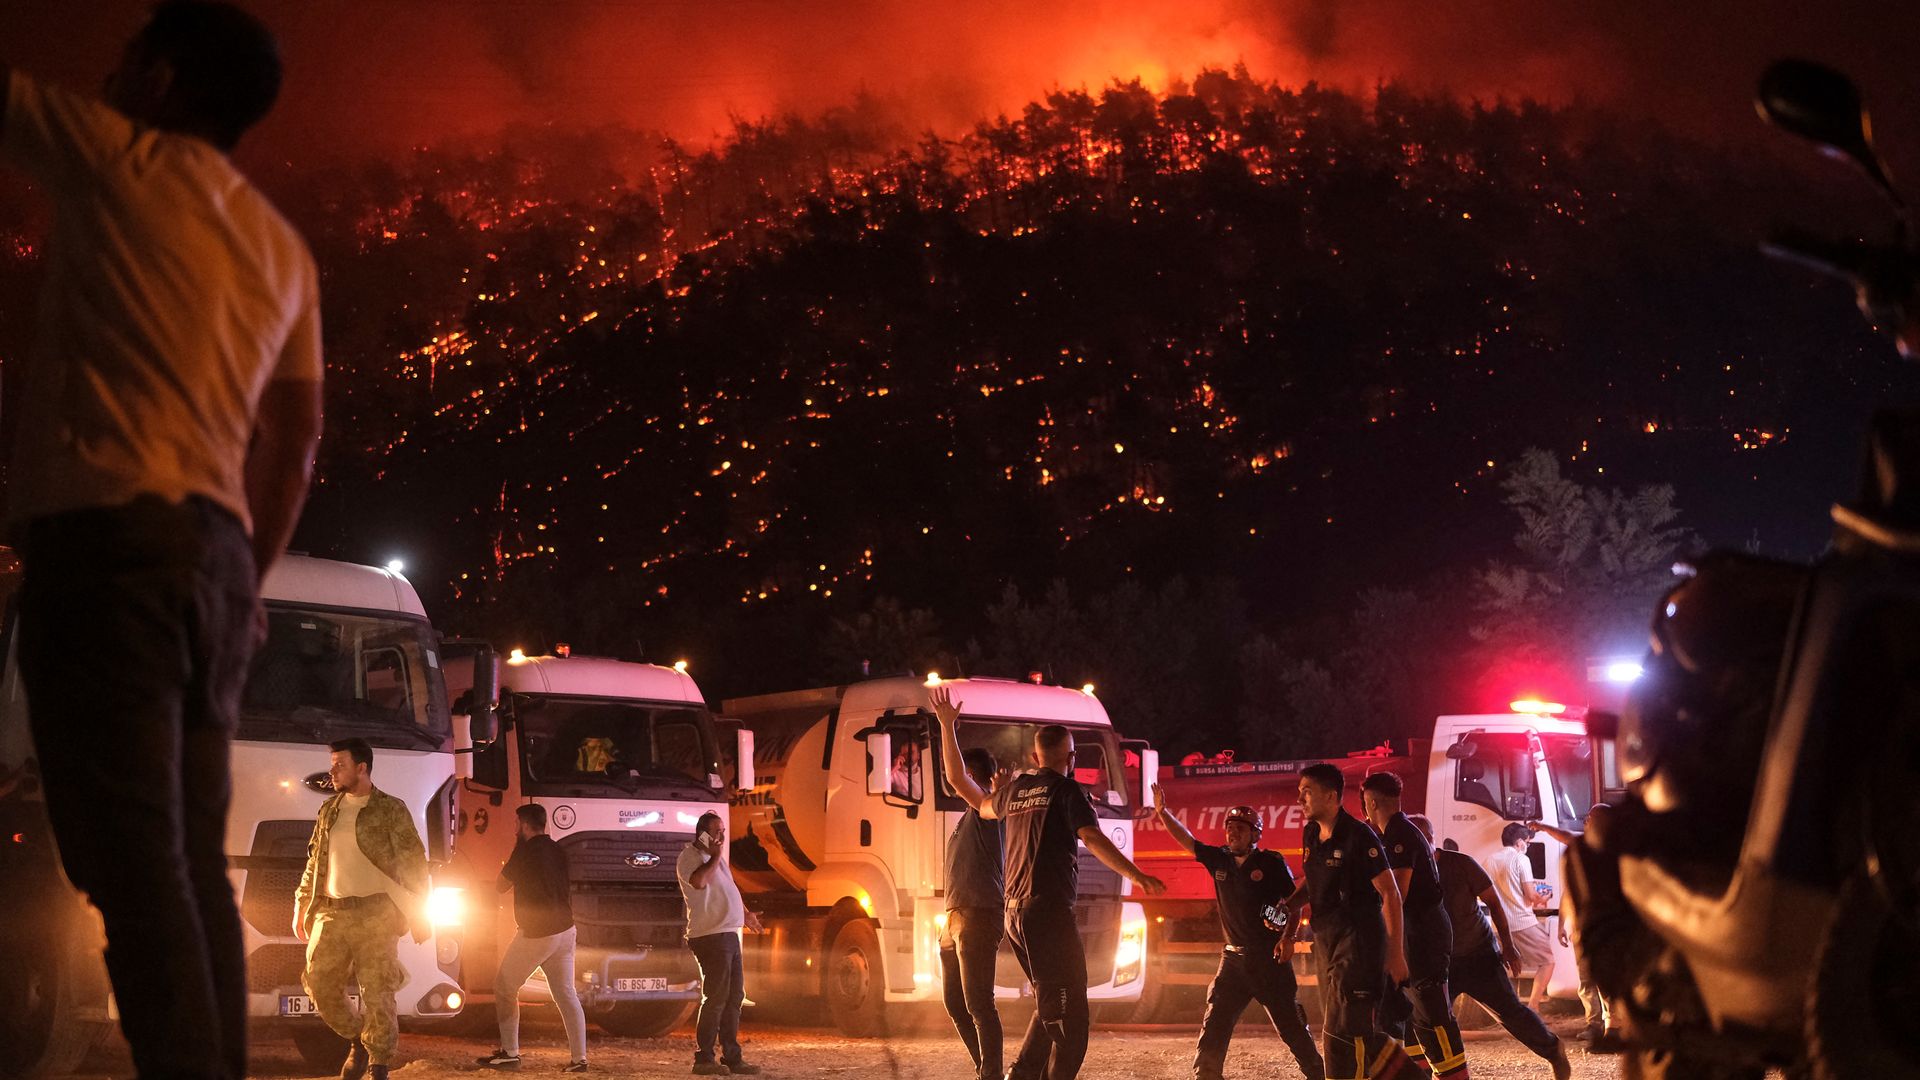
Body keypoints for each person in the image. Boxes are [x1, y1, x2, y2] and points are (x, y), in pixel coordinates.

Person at [2, 5, 323, 1078]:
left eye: (128, 55)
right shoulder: (282, 251)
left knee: (130, 864)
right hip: (215, 562)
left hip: (108, 548)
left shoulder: (116, 158)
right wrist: (252, 577)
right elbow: (295, 443)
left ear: (166, 81)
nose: (106, 69)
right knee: (184, 862)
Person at [932, 685, 1166, 1080]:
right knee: (1072, 1020)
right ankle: (1022, 1074)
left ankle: (1021, 1073)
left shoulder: (1015, 792)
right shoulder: (1067, 791)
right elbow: (1092, 838)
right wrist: (1136, 874)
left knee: (1050, 1001)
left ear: (1034, 756)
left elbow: (960, 783)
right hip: (1049, 913)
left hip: (1014, 916)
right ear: (1071, 757)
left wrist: (946, 726)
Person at [1152, 784, 1324, 1080]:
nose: (1233, 833)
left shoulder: (1271, 863)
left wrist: (1288, 938)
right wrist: (1161, 812)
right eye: (1230, 828)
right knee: (1215, 1022)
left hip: (1268, 961)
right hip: (1232, 961)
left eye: (1241, 829)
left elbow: (1293, 904)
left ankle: (1318, 1074)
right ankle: (1206, 1074)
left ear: (1255, 835)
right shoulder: (1219, 859)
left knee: (1291, 1027)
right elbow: (1188, 841)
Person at [294, 740, 431, 1080]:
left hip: (377, 914)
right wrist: (301, 904)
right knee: (318, 983)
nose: (332, 771)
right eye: (332, 764)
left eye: (340, 764)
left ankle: (378, 1063)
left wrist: (419, 911)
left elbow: (414, 863)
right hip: (331, 912)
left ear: (362, 768)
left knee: (377, 991)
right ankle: (358, 1039)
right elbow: (314, 863)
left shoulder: (390, 809)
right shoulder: (329, 810)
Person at [1279, 763, 1416, 1080]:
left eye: (1307, 792)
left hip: (1358, 943)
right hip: (1326, 941)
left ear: (1330, 796)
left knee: (1345, 1030)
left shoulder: (1359, 835)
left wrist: (1395, 955)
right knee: (1344, 1026)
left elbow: (1391, 893)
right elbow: (1313, 885)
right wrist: (1286, 907)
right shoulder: (1311, 834)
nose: (1300, 799)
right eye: (1299, 792)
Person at [1409, 816, 1570, 1080]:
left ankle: (1553, 1050)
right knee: (1424, 1019)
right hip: (1439, 962)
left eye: (1425, 838)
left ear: (1432, 838)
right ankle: (1437, 1072)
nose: (1422, 844)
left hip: (1477, 955)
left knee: (1509, 1013)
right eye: (1415, 839)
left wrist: (1508, 947)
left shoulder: (1460, 863)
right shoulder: (1408, 871)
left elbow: (1494, 904)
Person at [1360, 772, 1469, 1079]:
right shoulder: (1398, 831)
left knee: (1433, 1016)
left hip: (1423, 935)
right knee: (1411, 1016)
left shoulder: (1399, 834)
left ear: (1372, 801)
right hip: (1417, 933)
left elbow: (1398, 892)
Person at [476, 804, 588, 1073]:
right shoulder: (558, 849)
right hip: (565, 930)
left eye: (516, 824)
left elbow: (501, 885)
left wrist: (516, 850)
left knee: (504, 987)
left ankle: (510, 1053)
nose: (514, 828)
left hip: (538, 933)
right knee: (566, 994)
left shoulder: (525, 852)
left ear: (524, 825)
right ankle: (579, 1059)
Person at [676, 811, 763, 1076]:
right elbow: (700, 882)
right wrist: (714, 856)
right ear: (702, 833)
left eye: (723, 831)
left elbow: (729, 888)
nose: (721, 836)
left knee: (735, 995)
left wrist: (745, 914)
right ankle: (703, 1058)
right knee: (716, 997)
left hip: (728, 934)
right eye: (717, 831)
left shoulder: (718, 860)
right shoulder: (689, 857)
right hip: (710, 936)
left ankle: (732, 1057)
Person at [941, 747, 1007, 1080]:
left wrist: (945, 724)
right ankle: (985, 1069)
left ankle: (991, 1074)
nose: (954, 779)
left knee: (979, 1004)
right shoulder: (969, 817)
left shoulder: (986, 810)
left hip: (978, 914)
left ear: (973, 774)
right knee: (955, 1003)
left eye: (965, 774)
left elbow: (954, 776)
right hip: (955, 917)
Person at [1526, 810, 1616, 1047]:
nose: (1585, 822)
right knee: (1587, 978)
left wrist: (1543, 827)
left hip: (1605, 927)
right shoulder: (1584, 853)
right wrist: (1561, 925)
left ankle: (1613, 1025)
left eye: (1590, 819)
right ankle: (1595, 1024)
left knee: (1605, 977)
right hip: (1584, 928)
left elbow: (1566, 836)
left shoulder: (1611, 848)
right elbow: (1569, 892)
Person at [1483, 823, 1556, 1010]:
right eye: (1528, 843)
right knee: (1547, 961)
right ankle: (1533, 1006)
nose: (1528, 847)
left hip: (1497, 924)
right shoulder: (1520, 859)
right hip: (1522, 922)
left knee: (1504, 968)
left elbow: (1481, 892)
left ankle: (1508, 1008)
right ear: (1519, 842)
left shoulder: (1489, 860)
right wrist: (1544, 897)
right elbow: (1531, 895)